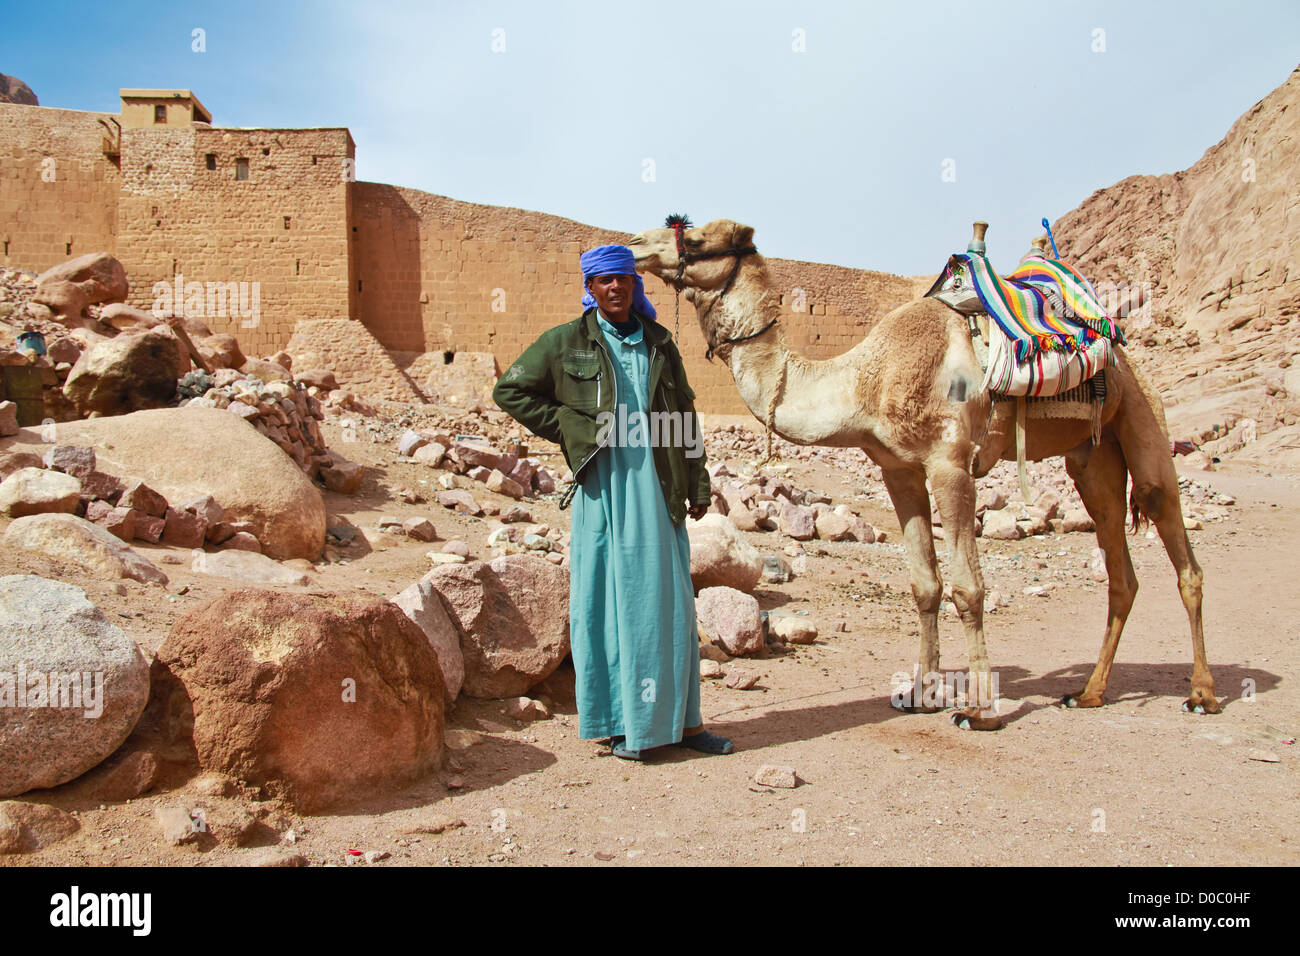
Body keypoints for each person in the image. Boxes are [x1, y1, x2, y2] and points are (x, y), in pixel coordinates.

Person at [493, 244, 734, 760]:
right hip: (603, 487)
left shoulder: (659, 343)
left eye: (624, 279)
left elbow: (685, 416)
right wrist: (570, 428)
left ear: (634, 284)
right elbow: (510, 391)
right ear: (591, 287)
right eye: (605, 281)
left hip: (659, 482)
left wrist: (698, 482)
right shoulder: (567, 343)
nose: (616, 288)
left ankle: (685, 726)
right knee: (605, 602)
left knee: (666, 606)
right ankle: (620, 723)